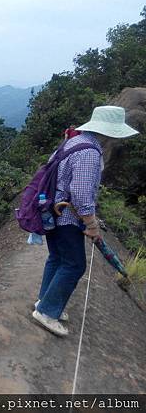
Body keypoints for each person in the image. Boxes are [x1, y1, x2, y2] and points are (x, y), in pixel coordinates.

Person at [32, 106, 139, 337]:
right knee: (74, 264)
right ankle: (47, 312)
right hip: (67, 216)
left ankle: (44, 301)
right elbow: (80, 193)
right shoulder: (89, 152)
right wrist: (91, 224)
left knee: (57, 258)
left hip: (51, 210)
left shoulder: (73, 141)